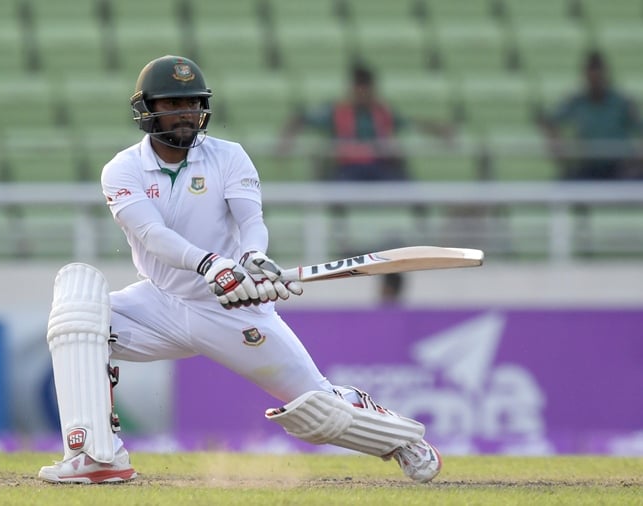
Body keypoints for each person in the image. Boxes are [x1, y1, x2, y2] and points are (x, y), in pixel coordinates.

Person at [37, 55, 442, 485]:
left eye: (192, 103)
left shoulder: (229, 157)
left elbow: (251, 223)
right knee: (78, 315)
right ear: (148, 109)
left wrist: (252, 261)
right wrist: (211, 264)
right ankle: (97, 456)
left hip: (232, 308)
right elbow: (152, 233)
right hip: (161, 302)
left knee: (318, 408)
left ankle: (401, 439)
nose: (186, 114)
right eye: (173, 104)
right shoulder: (122, 170)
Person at [278, 62, 453, 181]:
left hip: (380, 168)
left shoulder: (383, 112)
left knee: (407, 186)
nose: (363, 93)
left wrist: (438, 129)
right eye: (359, 88)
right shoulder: (336, 111)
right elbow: (302, 119)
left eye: (366, 89)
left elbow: (411, 123)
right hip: (348, 171)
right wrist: (287, 139)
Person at [540, 50, 642, 180]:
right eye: (591, 77)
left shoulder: (622, 102)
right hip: (589, 166)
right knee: (565, 181)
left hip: (620, 166)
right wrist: (556, 143)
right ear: (585, 76)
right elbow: (549, 122)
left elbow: (639, 126)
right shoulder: (576, 101)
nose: (595, 82)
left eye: (598, 77)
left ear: (605, 75)